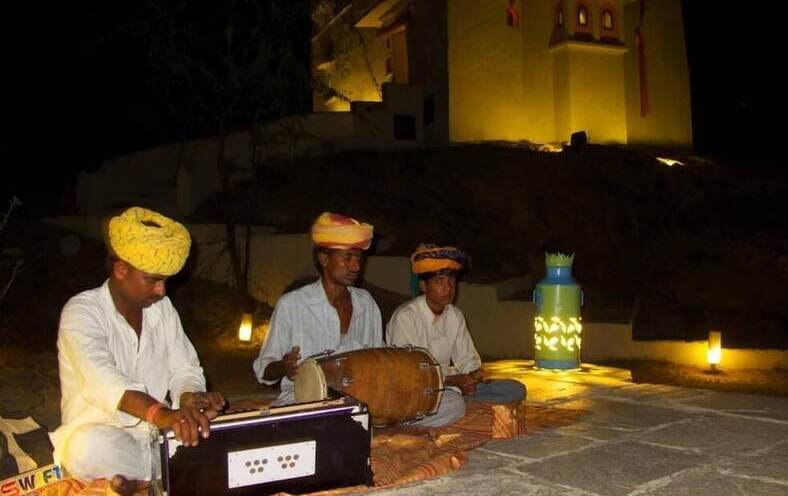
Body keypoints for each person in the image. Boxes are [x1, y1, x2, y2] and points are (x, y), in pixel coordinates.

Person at [49, 207, 225, 495]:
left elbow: (185, 369)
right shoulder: (82, 311)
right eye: (154, 280)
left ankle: (145, 479)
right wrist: (163, 414)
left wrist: (191, 398)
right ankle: (168, 471)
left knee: (209, 430)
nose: (162, 291)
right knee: (85, 448)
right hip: (106, 437)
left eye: (165, 280)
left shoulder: (162, 309)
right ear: (122, 269)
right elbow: (105, 382)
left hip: (158, 436)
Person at [386, 244, 527, 427]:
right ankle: (435, 416)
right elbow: (410, 375)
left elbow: (468, 360)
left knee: (515, 389)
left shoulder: (455, 315)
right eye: (440, 281)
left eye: (451, 281)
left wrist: (475, 375)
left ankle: (460, 409)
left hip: (453, 389)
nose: (448, 288)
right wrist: (453, 380)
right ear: (424, 285)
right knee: (454, 404)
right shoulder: (406, 317)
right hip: (416, 393)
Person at [253, 212, 383, 404]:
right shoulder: (293, 305)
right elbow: (263, 369)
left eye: (358, 258)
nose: (356, 266)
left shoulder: (367, 304)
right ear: (324, 259)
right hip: (303, 402)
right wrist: (284, 367)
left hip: (357, 401)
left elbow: (378, 361)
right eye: (347, 257)